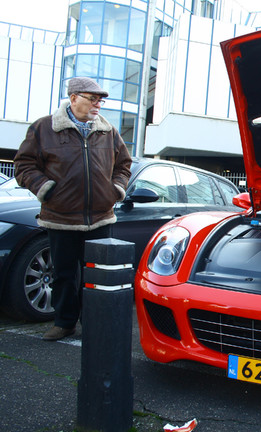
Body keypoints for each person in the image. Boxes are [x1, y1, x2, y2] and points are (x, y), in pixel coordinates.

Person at [14, 77, 132, 341]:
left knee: (97, 277)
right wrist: (45, 189)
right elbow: (23, 165)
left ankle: (94, 324)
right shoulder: (44, 128)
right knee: (64, 275)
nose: (98, 105)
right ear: (74, 97)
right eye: (93, 99)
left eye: (100, 100)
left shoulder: (108, 131)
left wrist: (116, 190)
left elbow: (124, 165)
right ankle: (64, 322)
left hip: (101, 218)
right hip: (61, 218)